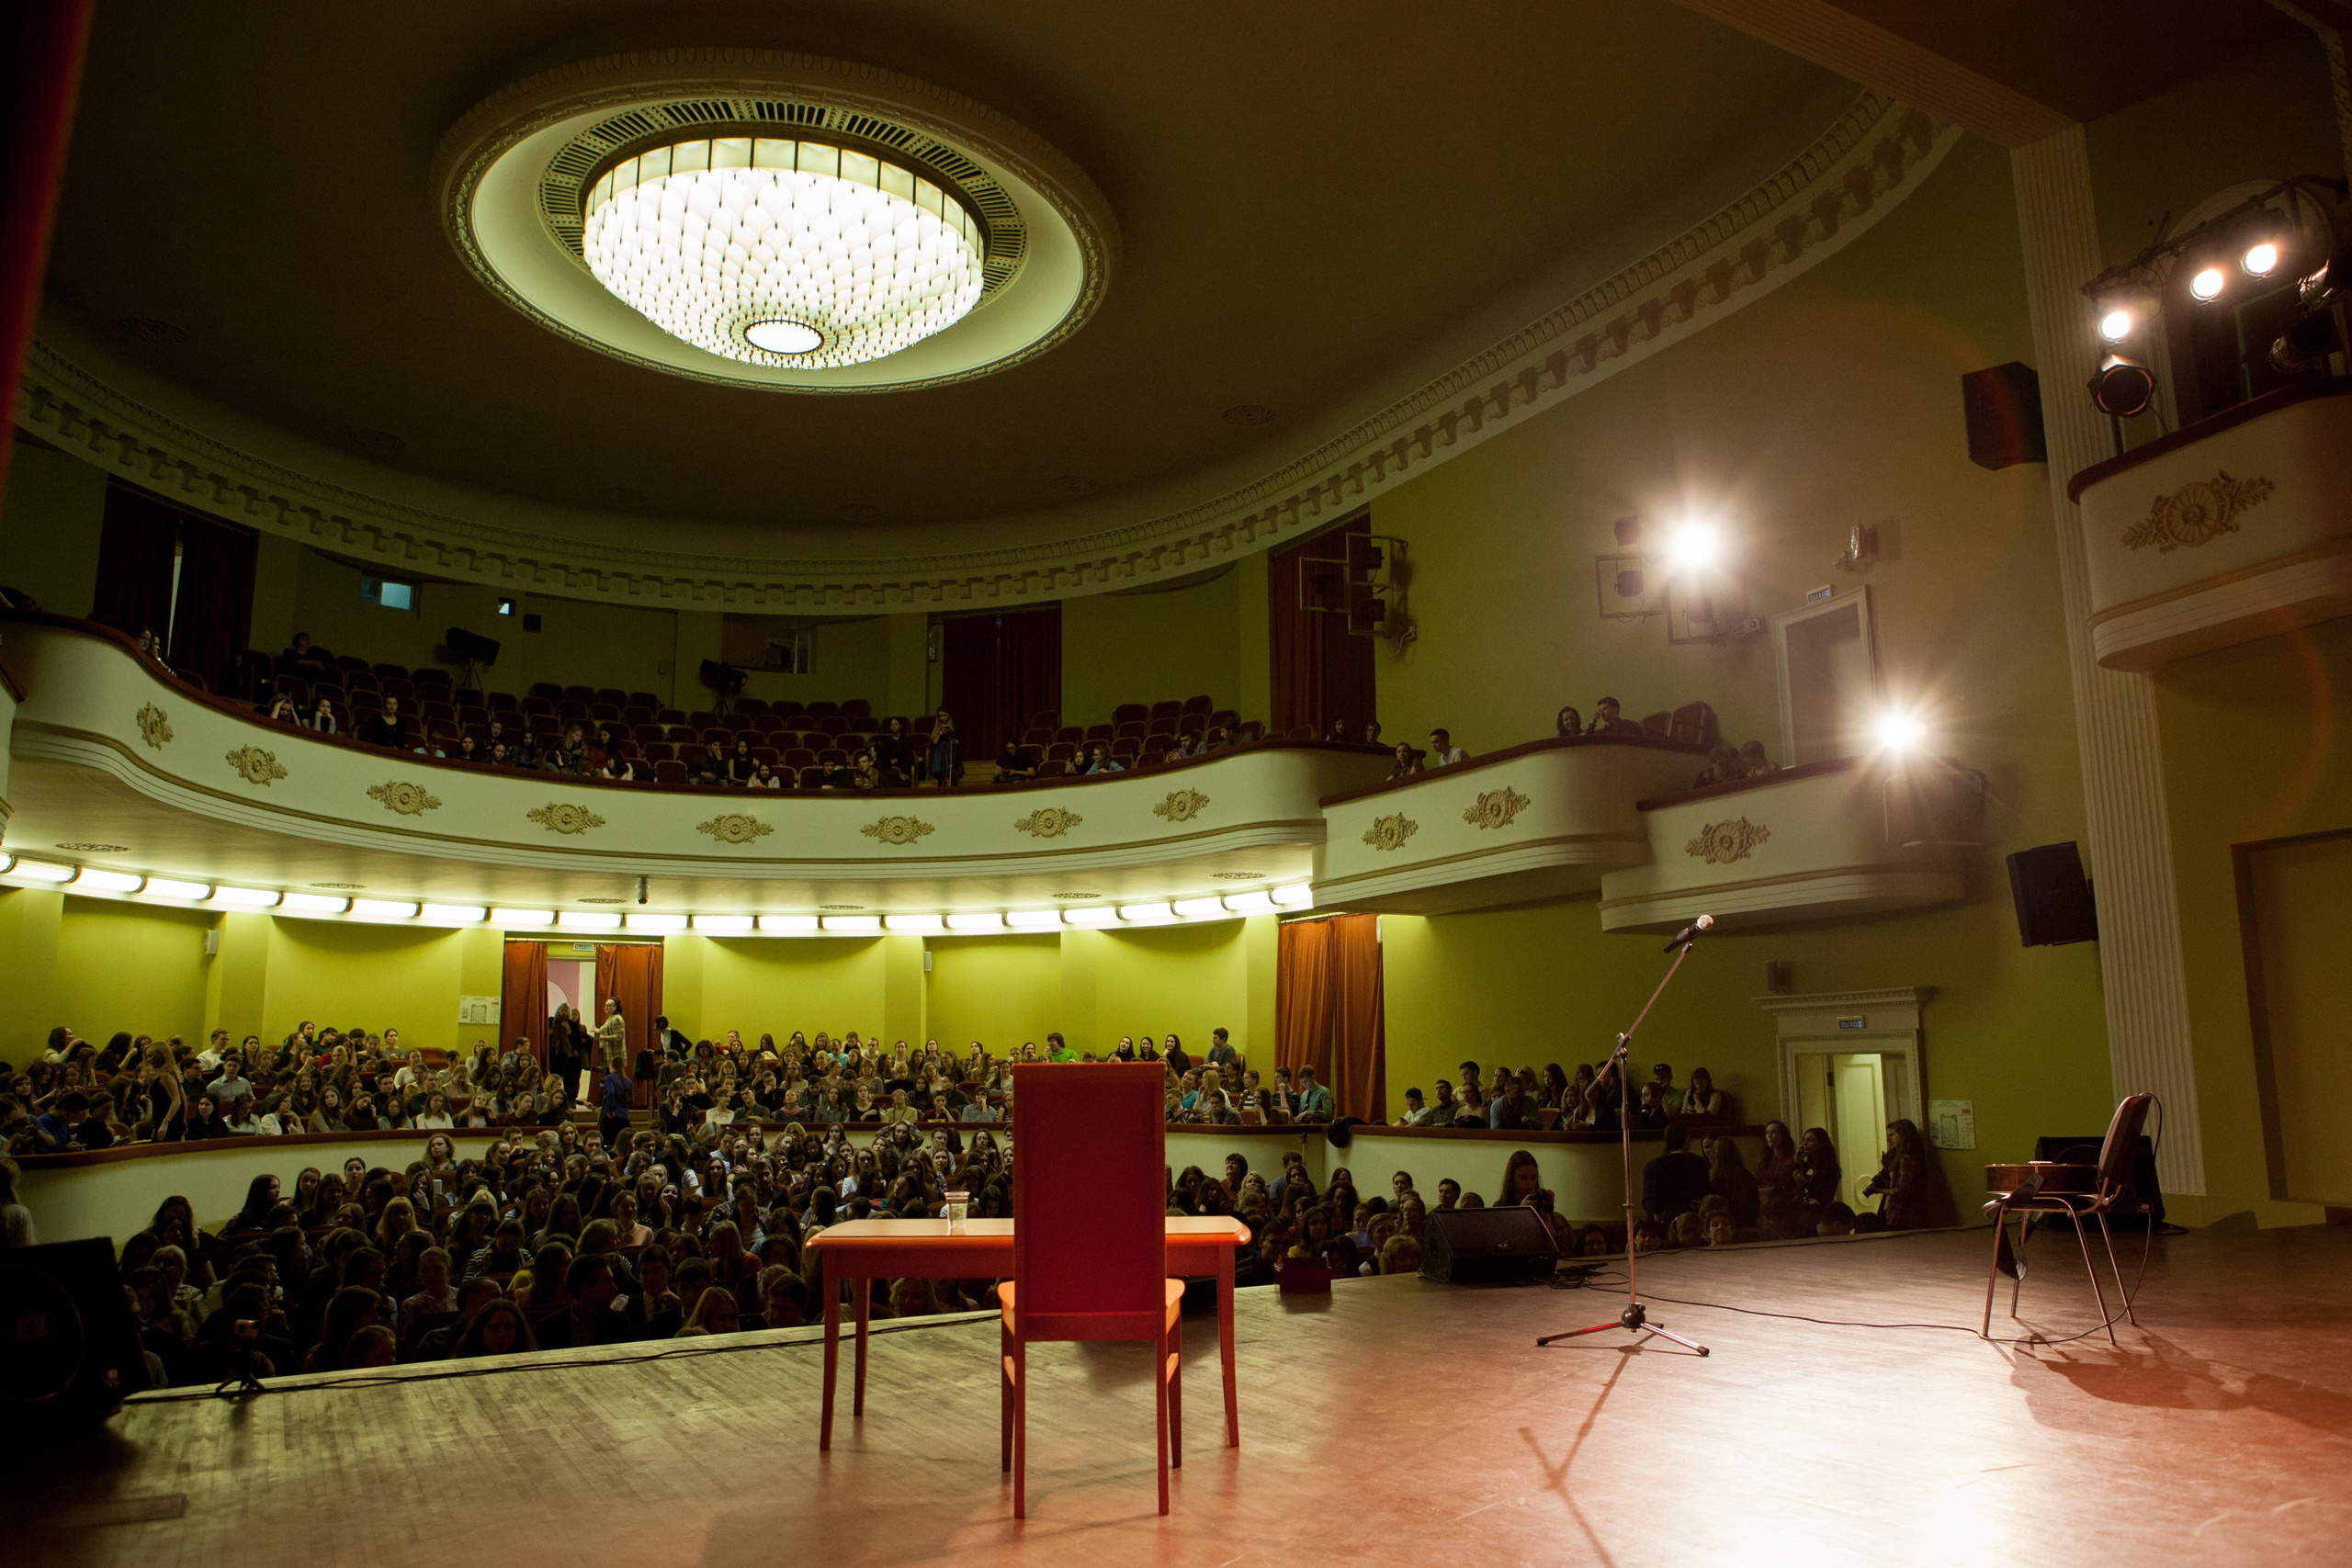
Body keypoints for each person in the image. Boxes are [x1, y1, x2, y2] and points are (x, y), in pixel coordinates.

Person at [1640, 1123, 1712, 1228]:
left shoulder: (1660, 1162)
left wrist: (1657, 1224)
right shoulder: (1698, 1161)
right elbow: (1706, 1194)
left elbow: (1658, 1197)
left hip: (1671, 1216)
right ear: (1686, 1139)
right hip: (1694, 1215)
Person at [1864, 1118, 1931, 1229]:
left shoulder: (1907, 1159)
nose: (1889, 1139)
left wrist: (1879, 1191)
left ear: (1904, 1136)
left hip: (1903, 1214)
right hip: (1898, 1212)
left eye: (1893, 1135)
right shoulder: (1897, 1157)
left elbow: (1902, 1190)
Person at [924, 711, 963, 787]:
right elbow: (933, 744)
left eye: (944, 715)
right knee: (941, 778)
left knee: (953, 776)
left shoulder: (954, 726)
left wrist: (950, 734)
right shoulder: (936, 728)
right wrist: (939, 734)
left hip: (951, 753)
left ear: (948, 715)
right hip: (940, 755)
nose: (942, 718)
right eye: (940, 716)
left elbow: (959, 743)